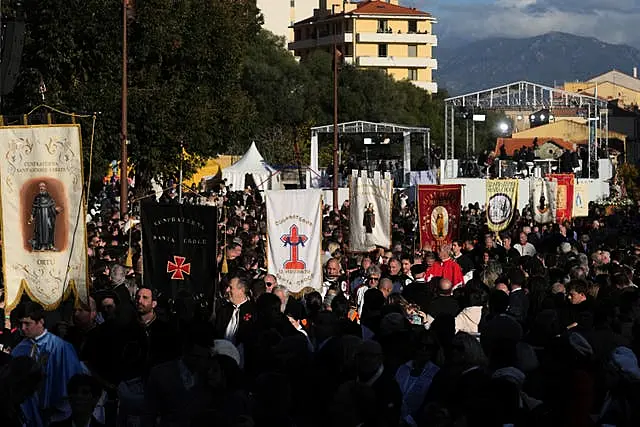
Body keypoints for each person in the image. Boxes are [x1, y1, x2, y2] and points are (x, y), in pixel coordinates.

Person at [11, 301, 85, 427]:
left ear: (41, 321)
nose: (23, 328)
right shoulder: (19, 350)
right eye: (20, 324)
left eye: (27, 323)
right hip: (27, 414)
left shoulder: (60, 347)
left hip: (56, 415)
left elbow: (73, 380)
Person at [29, 181, 63, 251]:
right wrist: (32, 216)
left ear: (45, 188)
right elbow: (34, 208)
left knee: (49, 230)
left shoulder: (49, 197)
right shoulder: (37, 198)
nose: (42, 188)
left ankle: (50, 245)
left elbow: (52, 207)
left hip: (48, 217)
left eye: (43, 186)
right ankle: (42, 246)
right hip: (39, 218)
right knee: (40, 231)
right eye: (40, 187)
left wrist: (56, 210)